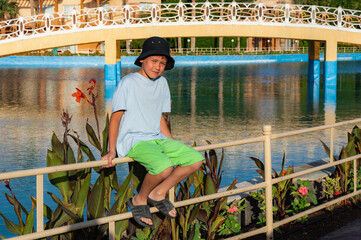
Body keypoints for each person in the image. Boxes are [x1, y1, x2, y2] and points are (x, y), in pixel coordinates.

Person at [101, 36, 204, 228]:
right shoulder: (129, 82)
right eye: (154, 61)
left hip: (156, 138)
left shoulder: (162, 83)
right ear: (142, 60)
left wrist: (172, 142)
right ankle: (139, 199)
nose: (157, 67)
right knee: (164, 167)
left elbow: (158, 117)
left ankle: (158, 193)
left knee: (195, 159)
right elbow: (116, 117)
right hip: (134, 140)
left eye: (162, 63)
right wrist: (112, 150)